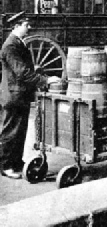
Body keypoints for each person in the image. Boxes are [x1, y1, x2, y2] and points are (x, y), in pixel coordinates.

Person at [0, 12, 55, 179]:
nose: (29, 27)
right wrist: (45, 80)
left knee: (20, 131)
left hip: (19, 94)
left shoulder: (18, 42)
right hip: (13, 95)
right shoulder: (10, 45)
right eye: (26, 24)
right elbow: (22, 72)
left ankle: (16, 162)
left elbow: (24, 69)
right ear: (16, 26)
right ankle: (6, 166)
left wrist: (35, 72)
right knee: (11, 132)